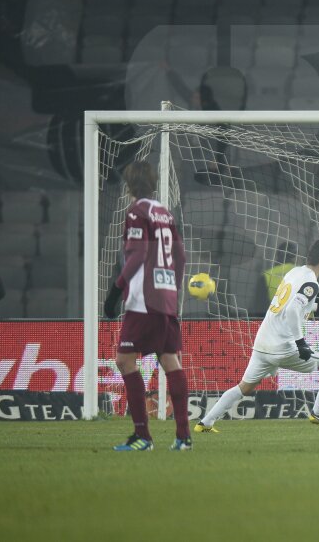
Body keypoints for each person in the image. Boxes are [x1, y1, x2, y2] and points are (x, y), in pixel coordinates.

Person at [194, 239, 319, 431]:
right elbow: (292, 310)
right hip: (283, 347)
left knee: (244, 387)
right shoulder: (312, 283)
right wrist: (301, 343)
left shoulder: (295, 272)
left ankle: (205, 423)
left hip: (263, 343)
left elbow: (288, 304)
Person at [103, 161, 190, 451]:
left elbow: (138, 254)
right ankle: (183, 438)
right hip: (165, 297)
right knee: (170, 361)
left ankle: (143, 436)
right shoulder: (165, 213)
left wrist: (115, 290)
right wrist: (174, 290)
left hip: (144, 299)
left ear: (129, 186)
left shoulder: (136, 212)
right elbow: (180, 256)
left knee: (125, 360)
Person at [259, 241, 298, 315]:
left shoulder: (267, 275)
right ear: (294, 256)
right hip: (303, 324)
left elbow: (259, 305)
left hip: (275, 323)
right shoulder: (305, 273)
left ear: (278, 255)